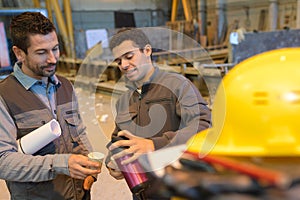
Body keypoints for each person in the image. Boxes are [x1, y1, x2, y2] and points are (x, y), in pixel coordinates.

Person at [0, 12, 101, 200]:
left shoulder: (65, 86)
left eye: (55, 49)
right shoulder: (4, 96)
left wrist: (90, 166)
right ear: (19, 53)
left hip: (80, 194)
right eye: (41, 52)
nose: (53, 59)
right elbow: (3, 161)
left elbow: (78, 132)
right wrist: (61, 164)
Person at [105, 28, 211, 199]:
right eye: (118, 61)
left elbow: (204, 127)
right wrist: (113, 161)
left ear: (147, 51)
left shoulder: (178, 85)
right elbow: (119, 139)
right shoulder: (124, 100)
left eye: (129, 56)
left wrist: (155, 144)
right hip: (143, 192)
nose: (124, 65)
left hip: (177, 189)